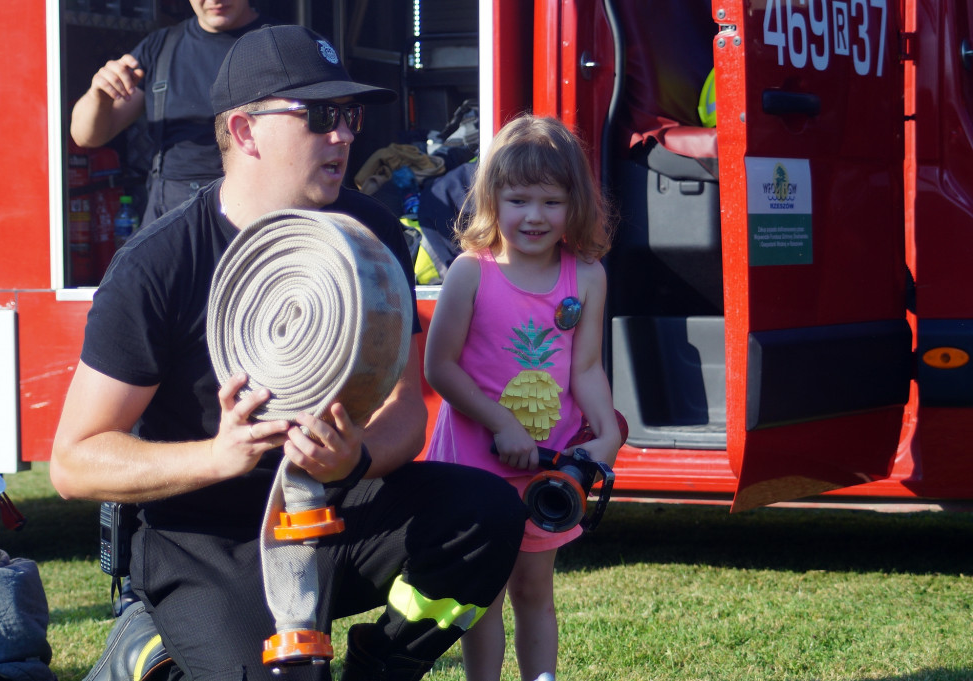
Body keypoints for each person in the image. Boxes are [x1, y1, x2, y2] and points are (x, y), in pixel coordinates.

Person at [51, 24, 526, 681]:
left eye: (351, 115)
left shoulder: (371, 232)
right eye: (320, 116)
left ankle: (378, 667)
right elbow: (74, 461)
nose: (345, 134)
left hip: (335, 506)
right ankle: (149, 638)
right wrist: (218, 455)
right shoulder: (158, 265)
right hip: (209, 538)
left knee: (487, 514)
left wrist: (356, 456)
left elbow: (405, 413)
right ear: (244, 131)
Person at [423, 114, 623, 681]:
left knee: (534, 587)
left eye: (551, 202)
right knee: (480, 589)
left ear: (574, 205)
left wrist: (605, 433)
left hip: (548, 468)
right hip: (474, 461)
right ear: (492, 201)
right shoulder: (470, 272)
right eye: (518, 200)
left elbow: (584, 366)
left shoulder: (586, 276)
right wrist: (500, 423)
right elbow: (441, 367)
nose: (534, 216)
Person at [69, 0, 272, 222]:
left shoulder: (281, 45)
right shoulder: (160, 47)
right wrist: (100, 95)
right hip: (171, 214)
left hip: (252, 212)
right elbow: (86, 136)